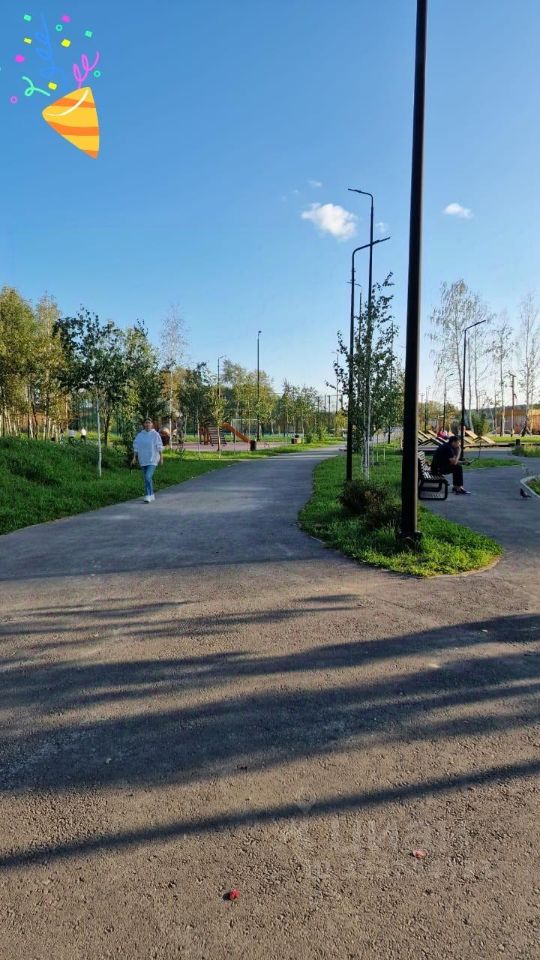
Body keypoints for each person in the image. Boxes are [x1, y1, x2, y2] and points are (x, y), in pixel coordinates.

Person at [132, 417, 163, 503]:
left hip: (153, 459)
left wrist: (161, 458)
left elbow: (159, 446)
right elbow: (136, 446)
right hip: (143, 459)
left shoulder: (155, 434)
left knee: (147, 476)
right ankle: (151, 495)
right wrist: (134, 458)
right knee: (147, 478)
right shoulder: (140, 435)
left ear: (152, 424)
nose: (147, 424)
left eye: (149, 422)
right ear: (144, 424)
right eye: (146, 422)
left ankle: (148, 495)